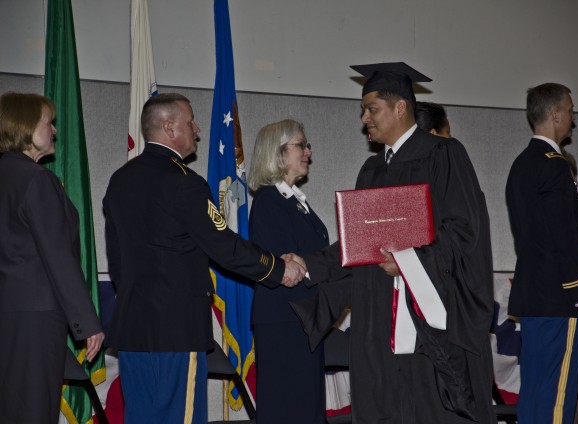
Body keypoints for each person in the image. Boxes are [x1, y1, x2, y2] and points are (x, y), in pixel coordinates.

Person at [292, 62, 496, 423]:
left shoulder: (444, 155)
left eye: (371, 109)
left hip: (426, 317)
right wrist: (309, 265)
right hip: (376, 318)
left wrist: (408, 260)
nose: (364, 119)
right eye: (363, 111)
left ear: (400, 107)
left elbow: (464, 231)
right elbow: (357, 242)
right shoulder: (371, 170)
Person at [103, 93, 306, 423]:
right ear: (169, 127)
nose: (197, 129)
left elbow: (118, 260)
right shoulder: (184, 182)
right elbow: (224, 246)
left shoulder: (120, 180)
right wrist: (278, 268)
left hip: (132, 329)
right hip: (174, 332)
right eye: (190, 121)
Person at [0, 92, 104, 424]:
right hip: (35, 318)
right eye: (48, 122)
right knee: (32, 410)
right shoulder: (36, 180)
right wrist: (88, 323)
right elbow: (57, 256)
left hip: (8, 314)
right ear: (26, 126)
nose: (55, 130)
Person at [505, 83, 578, 424]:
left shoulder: (521, 164)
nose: (573, 119)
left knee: (534, 396)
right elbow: (565, 237)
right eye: (570, 110)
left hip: (532, 299)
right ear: (556, 115)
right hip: (558, 300)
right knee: (557, 399)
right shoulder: (555, 166)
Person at [247, 119, 329, 424]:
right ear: (278, 153)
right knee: (288, 406)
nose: (308, 151)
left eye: (307, 145)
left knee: (305, 406)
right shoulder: (270, 201)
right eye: (301, 145)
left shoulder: (295, 201)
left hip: (304, 319)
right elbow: (286, 267)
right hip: (284, 319)